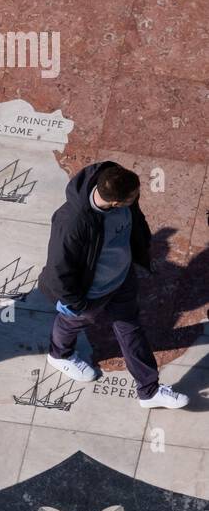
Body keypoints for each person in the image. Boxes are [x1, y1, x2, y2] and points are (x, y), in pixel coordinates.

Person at [38, 161, 188, 410]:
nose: (137, 198)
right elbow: (58, 268)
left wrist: (142, 247)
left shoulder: (114, 180)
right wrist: (76, 303)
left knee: (131, 330)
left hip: (121, 279)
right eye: (133, 197)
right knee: (72, 321)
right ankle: (59, 355)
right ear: (116, 203)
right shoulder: (72, 222)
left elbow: (135, 220)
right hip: (92, 292)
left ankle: (148, 390)